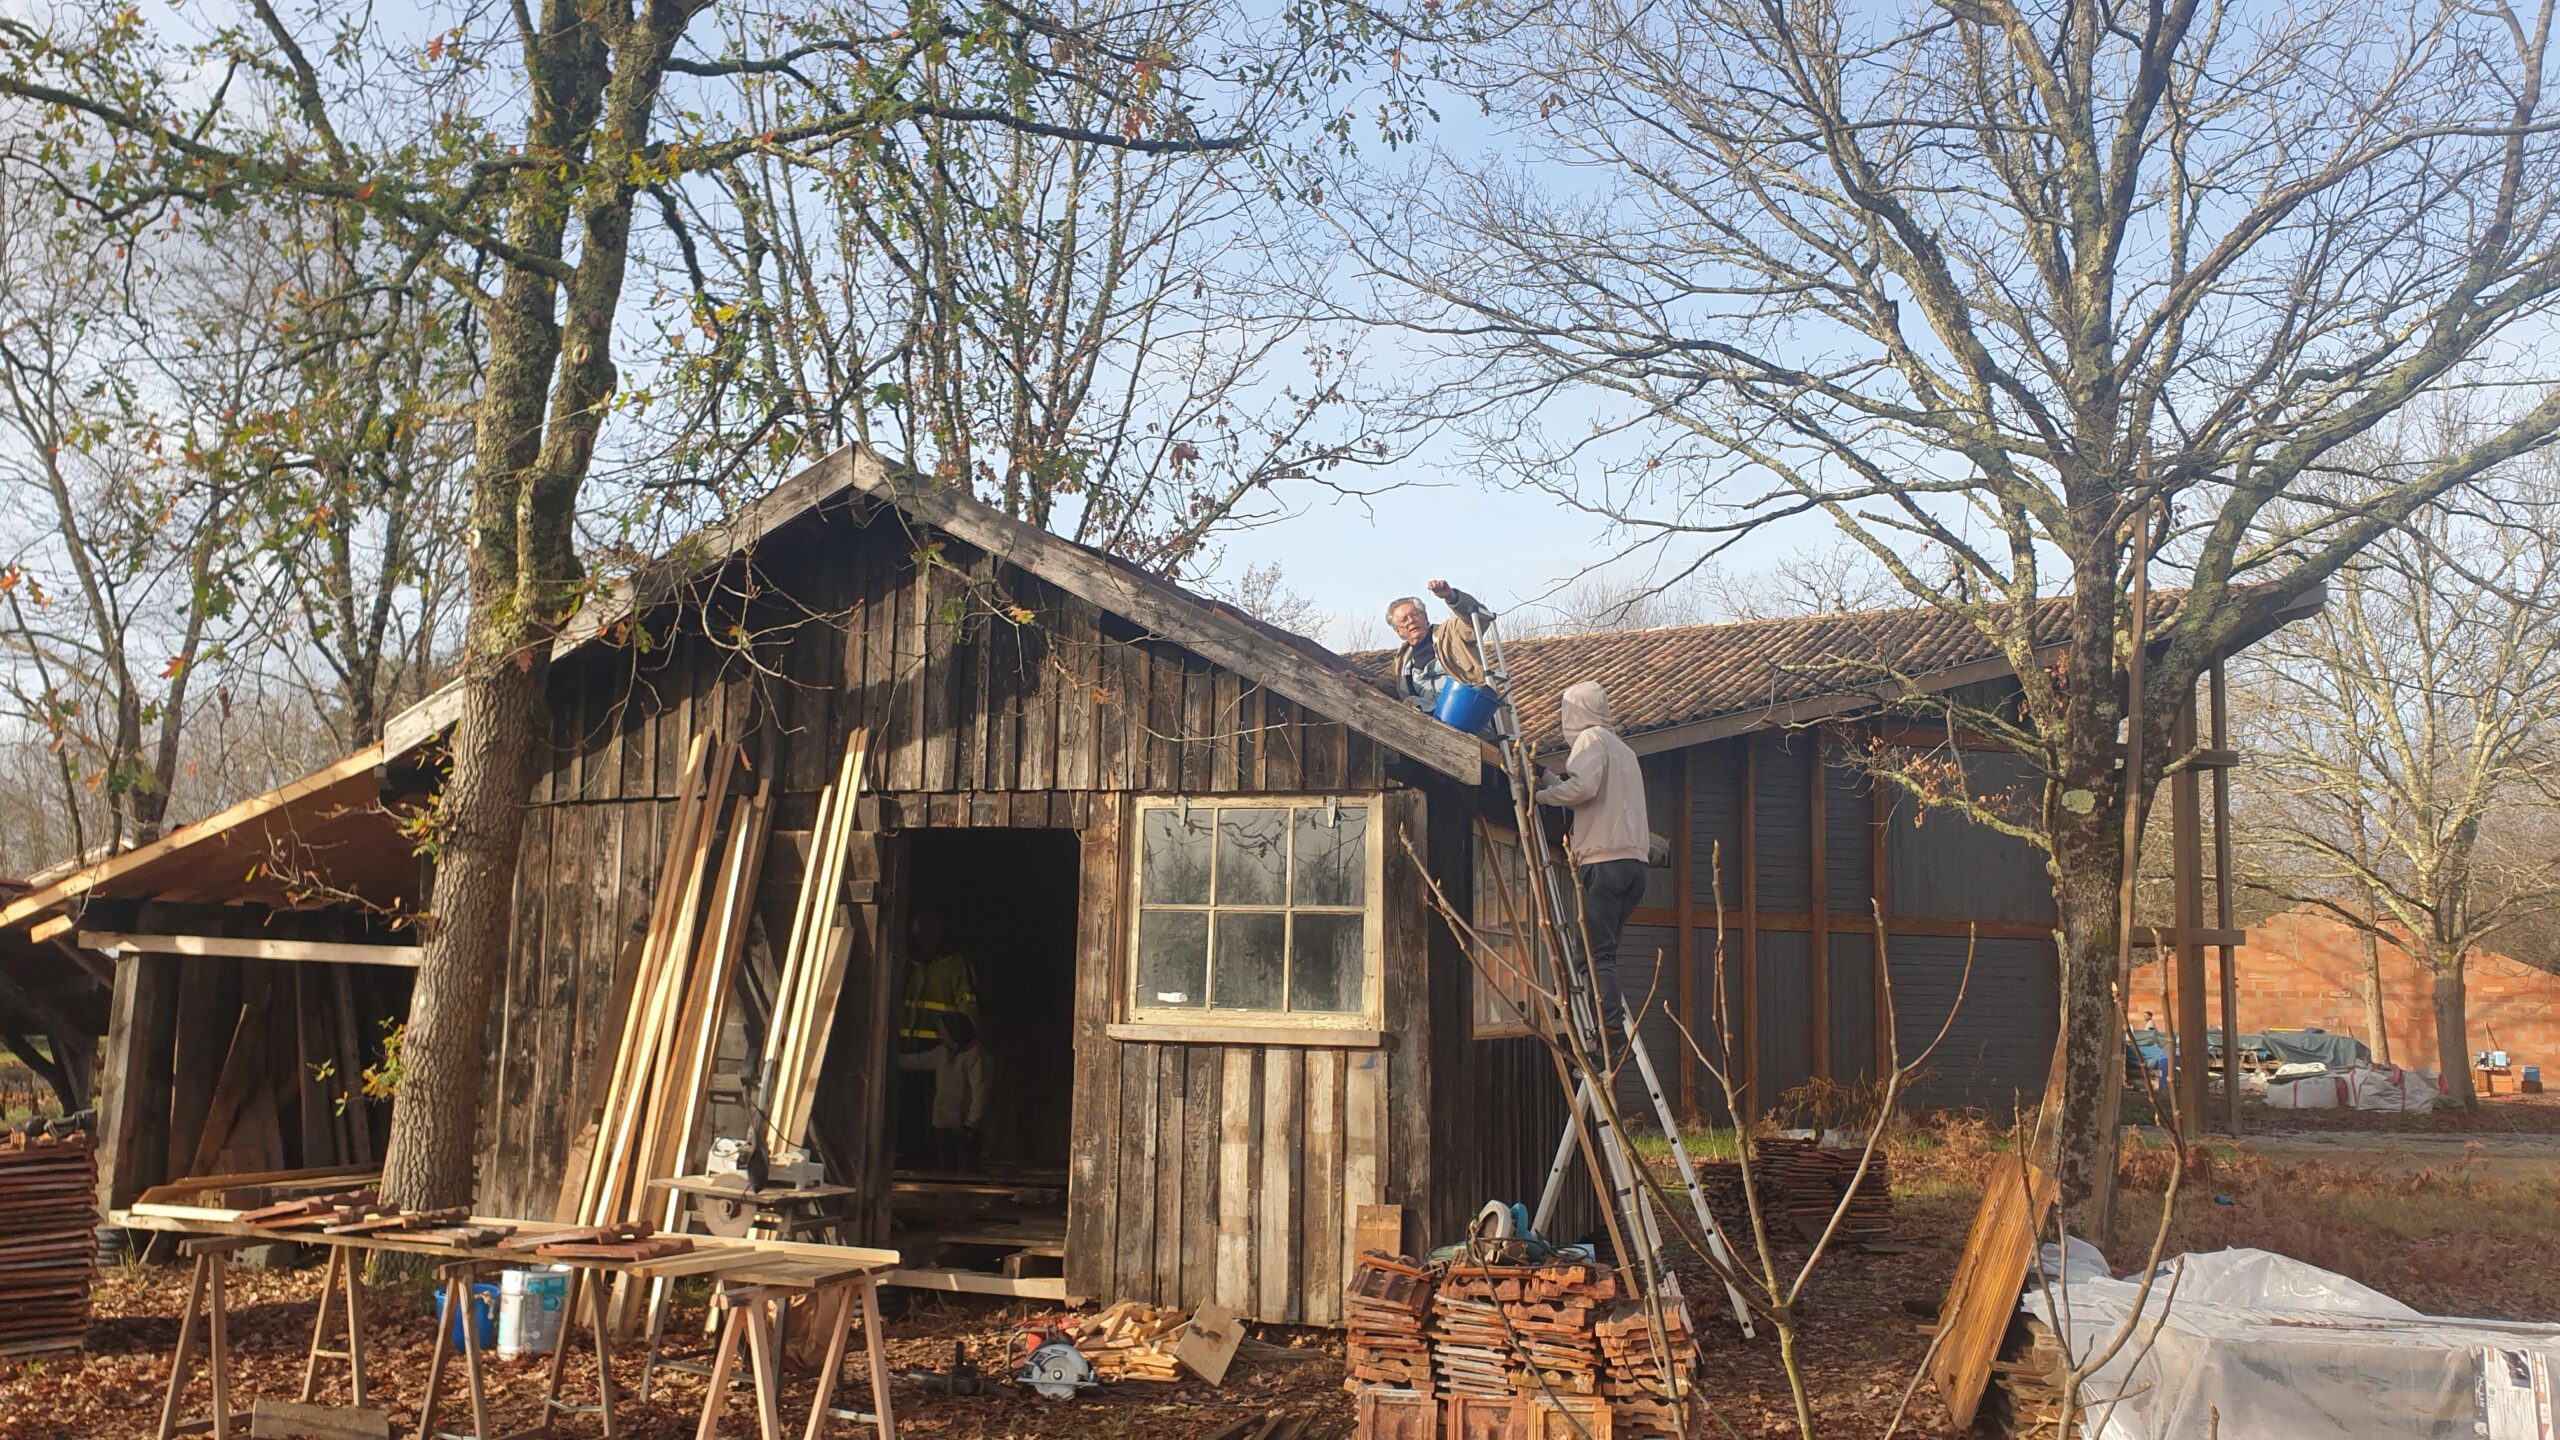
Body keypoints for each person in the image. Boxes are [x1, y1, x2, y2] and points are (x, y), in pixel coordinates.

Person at [1534, 680, 1649, 1044]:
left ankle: (1609, 1032)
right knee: (1605, 950)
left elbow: (1583, 789)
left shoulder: (1589, 740)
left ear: (1575, 712)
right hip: (1634, 864)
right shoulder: (1623, 750)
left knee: (1594, 954)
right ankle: (1611, 1021)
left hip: (1603, 861)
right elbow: (1589, 789)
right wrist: (1551, 779)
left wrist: (1540, 795)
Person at [897, 913, 978, 1167]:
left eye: (930, 931)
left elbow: (968, 1004)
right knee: (908, 1102)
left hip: (943, 1045)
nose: (924, 937)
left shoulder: (954, 964)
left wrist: (962, 1041)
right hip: (909, 1043)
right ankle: (913, 1153)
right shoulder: (906, 962)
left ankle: (941, 1156)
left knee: (942, 1103)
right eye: (919, 931)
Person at [1385, 581, 1494, 727]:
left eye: (1415, 614)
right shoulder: (1401, 662)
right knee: (1409, 703)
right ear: (1398, 630)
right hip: (1430, 725)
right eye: (1404, 620)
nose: (1411, 621)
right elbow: (1383, 685)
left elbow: (1478, 619)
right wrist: (1359, 679)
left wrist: (1452, 597)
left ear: (1425, 616)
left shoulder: (1450, 633)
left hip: (1466, 714)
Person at [897, 1012, 991, 1173]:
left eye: (942, 1029)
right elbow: (919, 1061)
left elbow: (980, 1091)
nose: (939, 1034)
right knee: (947, 1169)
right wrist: (888, 1059)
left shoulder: (975, 1056)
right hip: (944, 1124)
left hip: (965, 1127)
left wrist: (972, 1123)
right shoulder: (943, 1052)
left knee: (967, 1172)